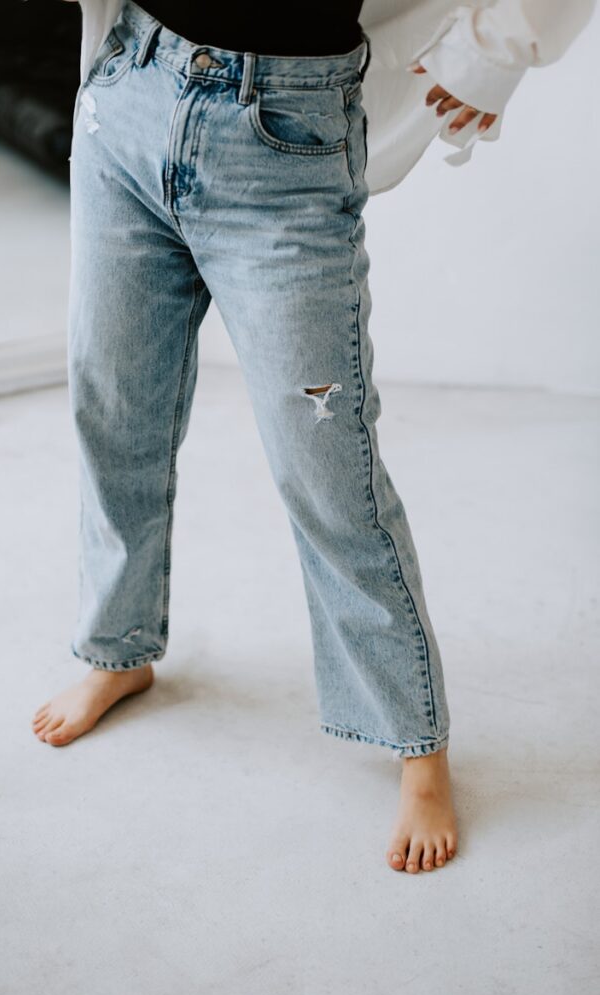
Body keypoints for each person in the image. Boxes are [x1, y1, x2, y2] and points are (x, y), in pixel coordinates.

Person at [33, 0, 595, 875]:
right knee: (114, 411)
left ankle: (416, 738)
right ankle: (119, 646)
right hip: (128, 90)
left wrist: (496, 47)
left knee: (328, 469)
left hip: (284, 132)